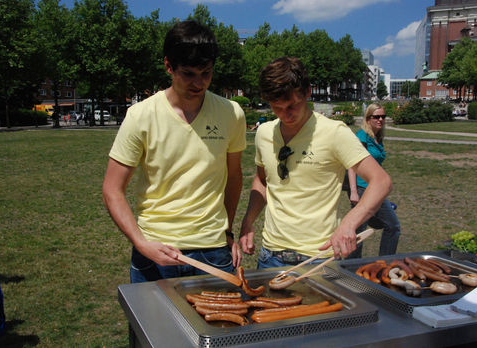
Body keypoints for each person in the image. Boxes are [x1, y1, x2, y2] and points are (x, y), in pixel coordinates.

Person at [102, 20, 247, 283]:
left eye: (206, 73)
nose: (199, 83)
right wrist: (141, 243)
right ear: (169, 66)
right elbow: (112, 189)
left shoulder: (231, 113)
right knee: (153, 326)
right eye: (189, 74)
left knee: (221, 326)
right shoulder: (140, 116)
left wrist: (227, 233)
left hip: (212, 251)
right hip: (155, 249)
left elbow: (234, 177)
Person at [239, 57, 392, 268]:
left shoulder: (334, 132)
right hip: (270, 256)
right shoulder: (264, 133)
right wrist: (248, 222)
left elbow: (381, 181)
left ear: (308, 92)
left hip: (317, 259)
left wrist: (349, 223)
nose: (286, 115)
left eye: (292, 105)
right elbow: (261, 181)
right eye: (277, 108)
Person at [346, 103, 401, 258]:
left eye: (383, 116)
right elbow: (352, 165)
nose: (380, 119)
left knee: (359, 230)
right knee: (392, 226)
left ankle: (357, 264)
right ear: (368, 118)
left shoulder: (377, 137)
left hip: (375, 188)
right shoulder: (362, 136)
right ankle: (383, 262)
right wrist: (354, 192)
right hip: (363, 188)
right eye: (376, 116)